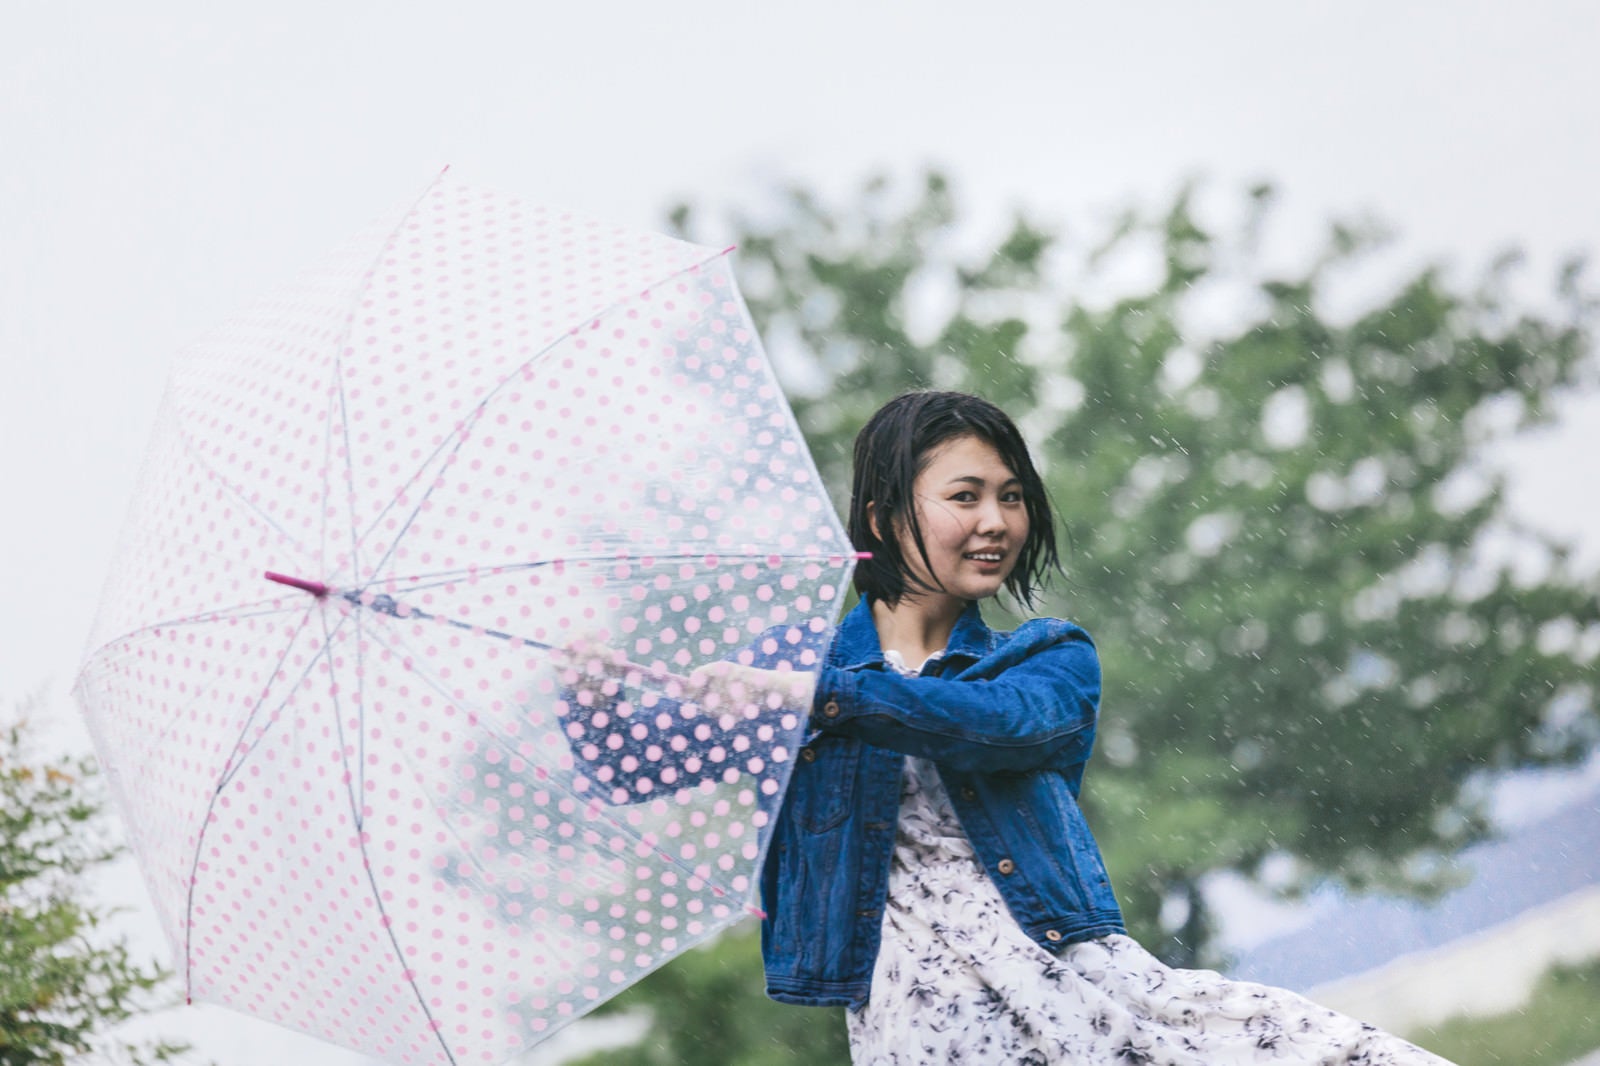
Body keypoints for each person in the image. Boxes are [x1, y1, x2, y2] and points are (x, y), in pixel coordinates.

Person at [757, 390, 1454, 1064]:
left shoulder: (1044, 658)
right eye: (965, 496)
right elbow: (652, 756)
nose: (997, 521)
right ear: (883, 518)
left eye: (1011, 495)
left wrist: (823, 697)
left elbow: (1001, 727)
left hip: (1086, 1002)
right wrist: (684, 699)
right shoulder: (783, 676)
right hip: (919, 1026)